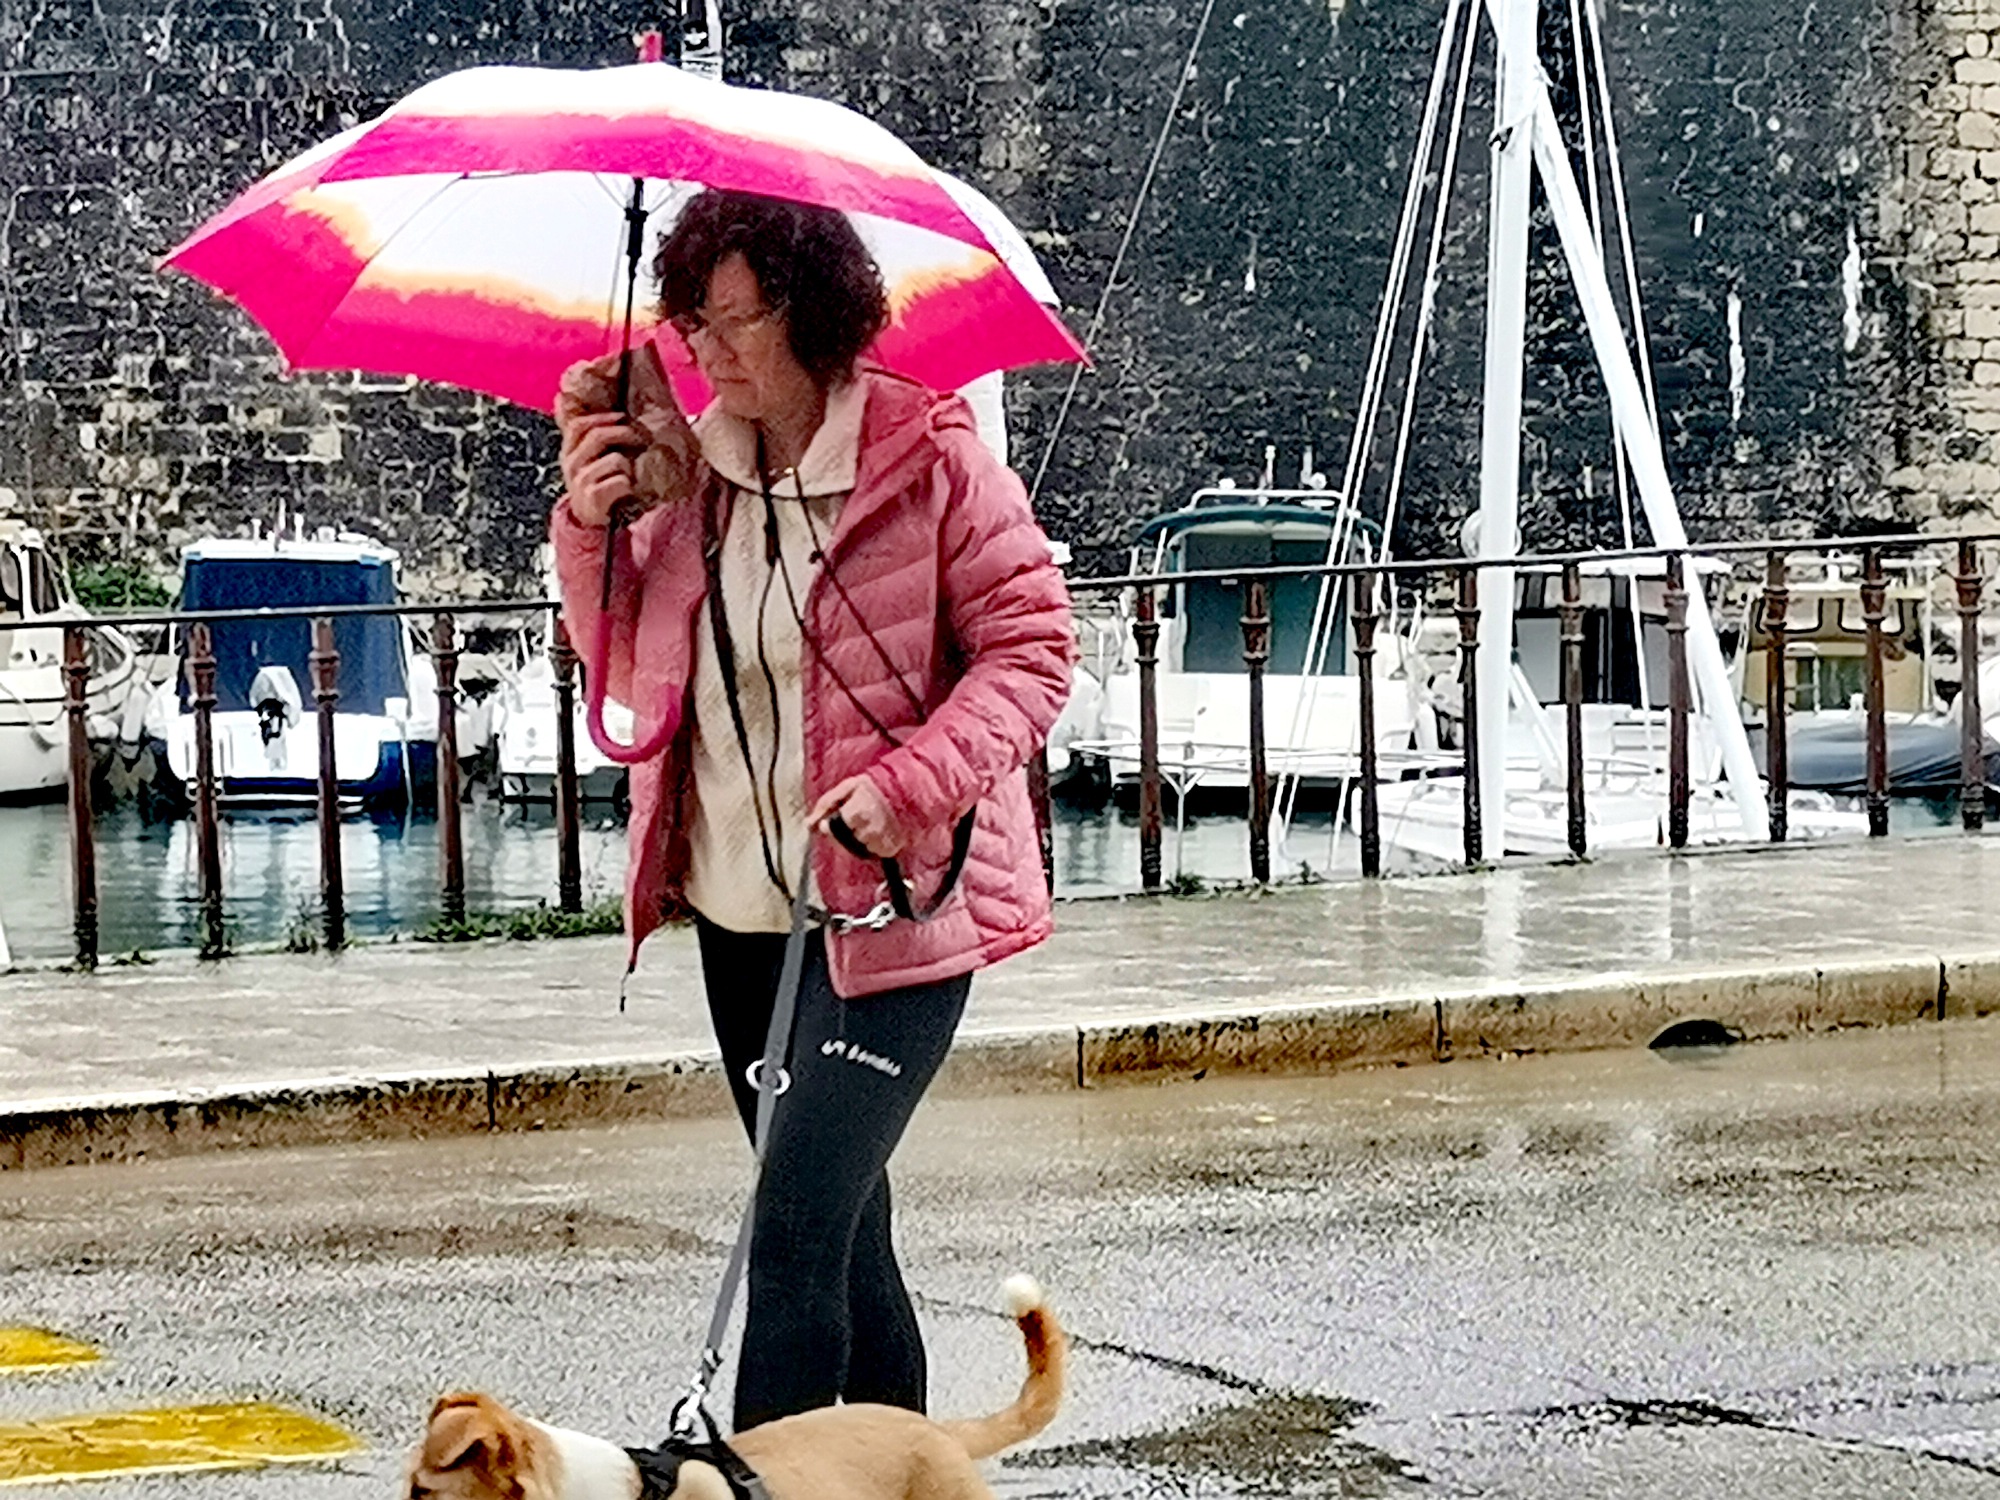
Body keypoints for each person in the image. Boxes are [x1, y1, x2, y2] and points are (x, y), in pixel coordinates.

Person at [549, 189, 1076, 1432]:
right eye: (694, 323)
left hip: (897, 911)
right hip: (745, 915)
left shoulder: (930, 458)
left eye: (738, 321)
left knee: (789, 1232)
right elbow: (621, 664)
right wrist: (593, 522)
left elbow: (1033, 653)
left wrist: (906, 789)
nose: (710, 351)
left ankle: (755, 1481)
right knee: (844, 1234)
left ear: (815, 312)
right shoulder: (695, 475)